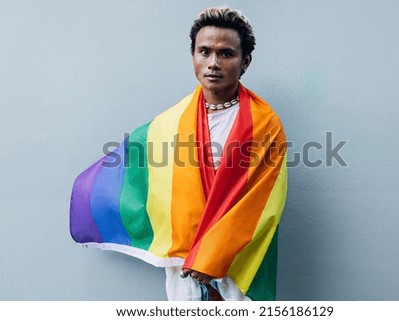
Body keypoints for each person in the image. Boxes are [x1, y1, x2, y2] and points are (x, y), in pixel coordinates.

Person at [70, 6, 287, 301]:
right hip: (183, 267)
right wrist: (86, 197)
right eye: (204, 51)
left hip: (237, 265)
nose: (213, 63)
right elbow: (135, 174)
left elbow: (263, 204)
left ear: (245, 61)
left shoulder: (265, 124)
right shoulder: (171, 122)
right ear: (193, 56)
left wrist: (212, 255)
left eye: (226, 54)